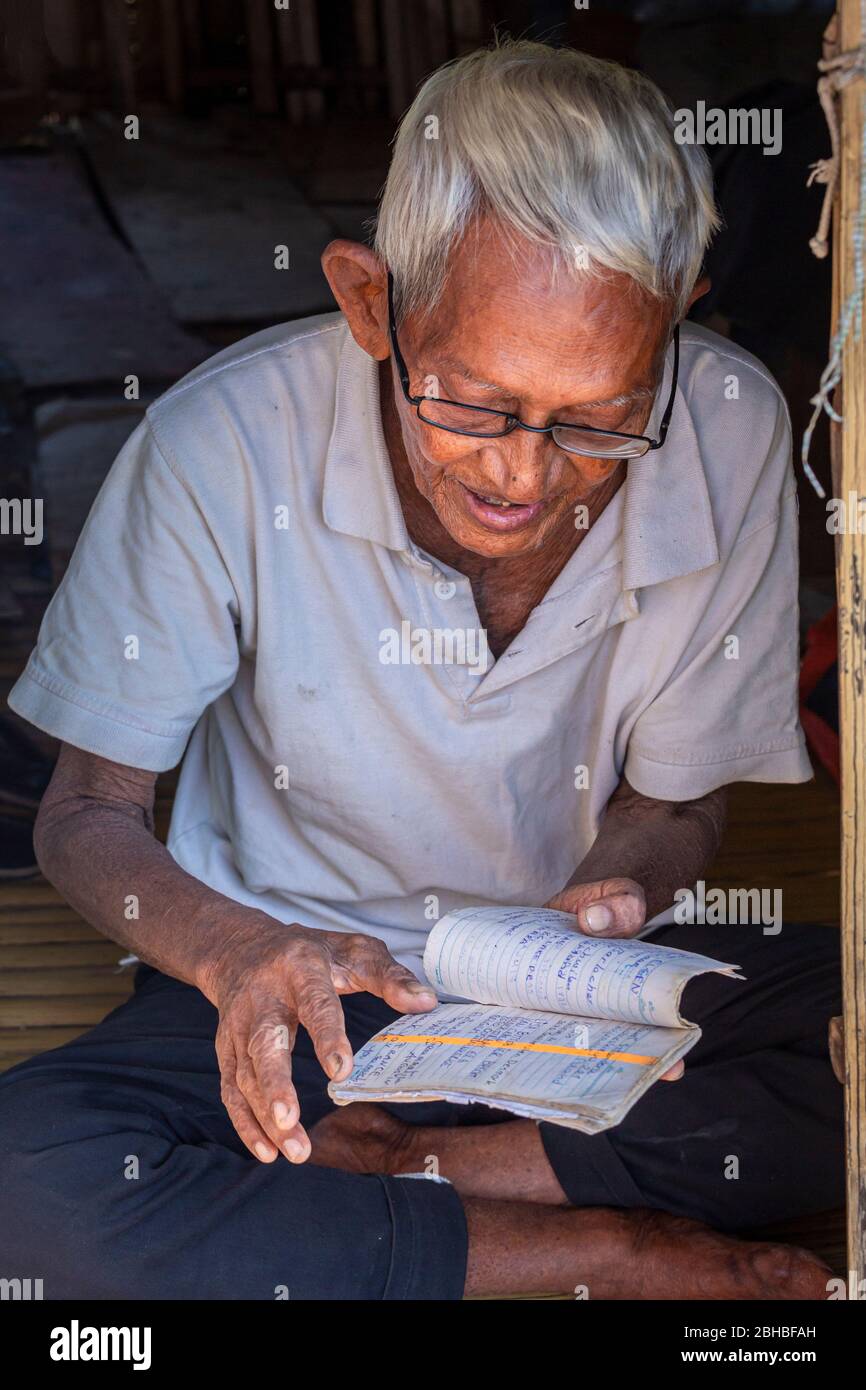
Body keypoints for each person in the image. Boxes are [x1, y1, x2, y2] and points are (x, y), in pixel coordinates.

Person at [0, 40, 842, 1300]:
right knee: (29, 1180)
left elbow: (673, 805)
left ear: (676, 324)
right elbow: (81, 816)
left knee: (852, 1035)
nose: (525, 475)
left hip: (574, 1006)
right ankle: (610, 1248)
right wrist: (235, 953)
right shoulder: (220, 443)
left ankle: (398, 1176)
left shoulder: (723, 426)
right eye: (473, 402)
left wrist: (619, 889)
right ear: (366, 304)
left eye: (598, 416)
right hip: (297, 998)